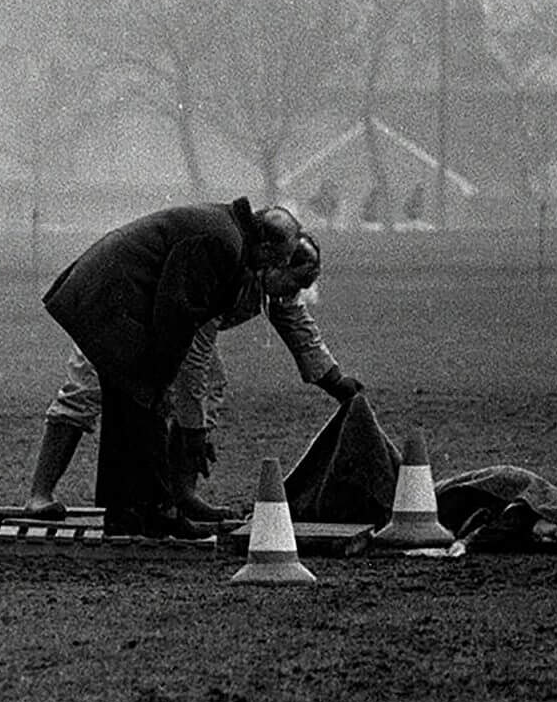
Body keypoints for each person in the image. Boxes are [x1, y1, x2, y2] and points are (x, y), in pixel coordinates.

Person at [21, 231, 364, 522]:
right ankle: (40, 494)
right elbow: (193, 359)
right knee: (86, 389)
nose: (294, 292)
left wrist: (335, 381)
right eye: (296, 281)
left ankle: (180, 494)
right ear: (275, 262)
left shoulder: (272, 278)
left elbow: (297, 327)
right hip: (124, 307)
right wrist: (194, 430)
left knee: (209, 385)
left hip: (172, 325)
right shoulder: (226, 268)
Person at [39, 198, 302, 539]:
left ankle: (127, 514)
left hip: (113, 295)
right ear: (265, 244)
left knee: (131, 402)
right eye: (278, 259)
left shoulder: (229, 233)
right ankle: (158, 512)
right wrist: (162, 381)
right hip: (114, 299)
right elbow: (177, 312)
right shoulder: (222, 243)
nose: (274, 267)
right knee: (143, 401)